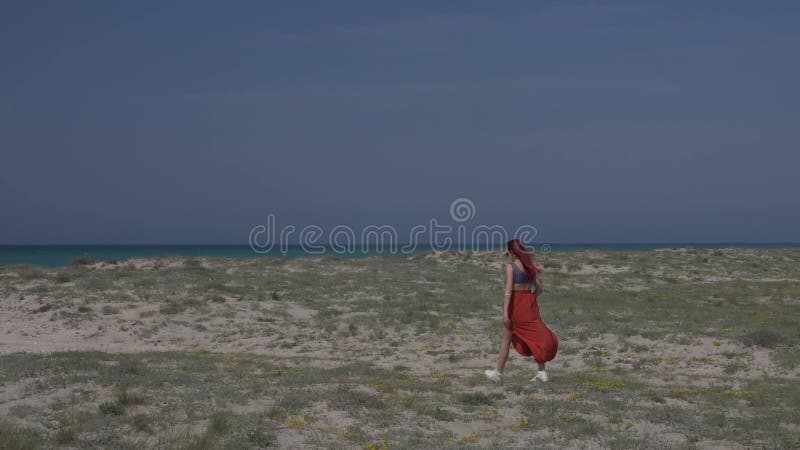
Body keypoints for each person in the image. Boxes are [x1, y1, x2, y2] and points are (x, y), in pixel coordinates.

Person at [485, 239, 558, 383]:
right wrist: (531, 299)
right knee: (534, 335)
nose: (508, 255)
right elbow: (539, 289)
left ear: (512, 252)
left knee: (506, 340)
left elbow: (508, 292)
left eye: (508, 252)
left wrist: (505, 312)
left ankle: (498, 373)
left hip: (515, 306)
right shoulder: (529, 267)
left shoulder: (510, 267)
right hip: (529, 305)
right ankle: (541, 372)